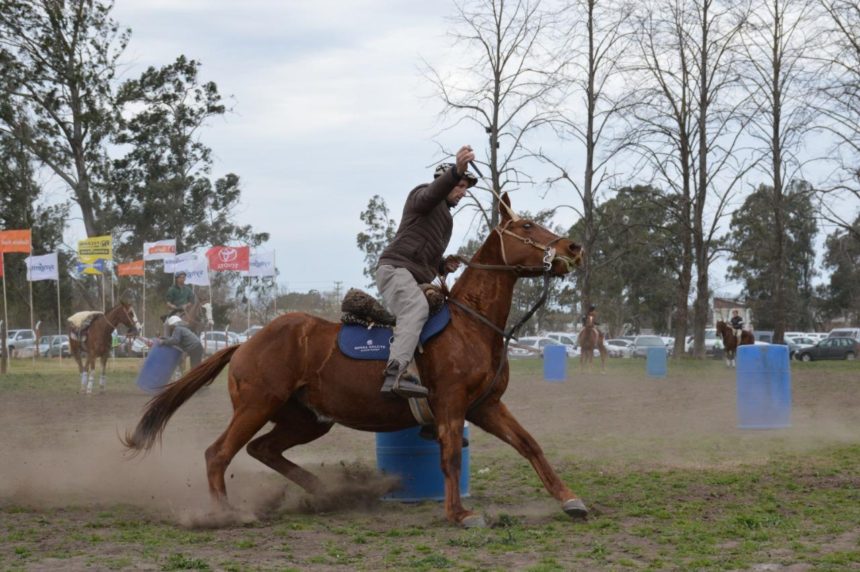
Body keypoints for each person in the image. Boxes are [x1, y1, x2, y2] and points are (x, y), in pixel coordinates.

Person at [376, 144, 478, 398]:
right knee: (417, 308)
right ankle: (395, 374)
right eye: (459, 186)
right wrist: (457, 170)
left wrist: (443, 265)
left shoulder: (446, 219)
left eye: (466, 188)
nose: (463, 192)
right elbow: (433, 193)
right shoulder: (421, 196)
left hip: (412, 276)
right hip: (395, 270)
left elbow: (425, 254)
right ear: (444, 181)